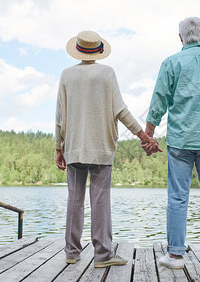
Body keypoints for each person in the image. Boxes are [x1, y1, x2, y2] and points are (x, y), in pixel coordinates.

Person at [55, 30, 161, 268]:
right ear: (98, 51)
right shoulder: (107, 74)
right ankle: (102, 255)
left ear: (79, 50)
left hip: (73, 147)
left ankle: (71, 252)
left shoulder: (66, 75)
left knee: (75, 200)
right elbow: (121, 110)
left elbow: (59, 116)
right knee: (100, 201)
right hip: (101, 148)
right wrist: (144, 136)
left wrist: (58, 147)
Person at [143, 17, 200, 272]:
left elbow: (159, 100)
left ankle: (175, 256)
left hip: (180, 142)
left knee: (177, 198)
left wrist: (148, 135)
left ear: (180, 37)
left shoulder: (171, 62)